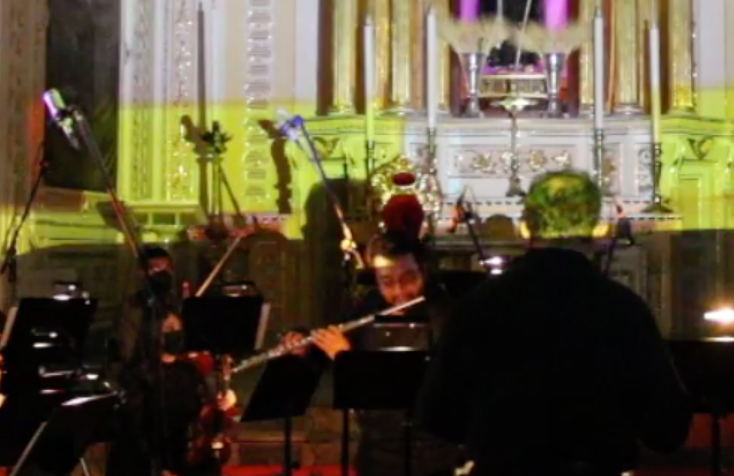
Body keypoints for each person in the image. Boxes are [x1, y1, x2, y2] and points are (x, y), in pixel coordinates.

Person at [417, 171, 690, 476]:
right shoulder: (624, 309)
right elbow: (667, 428)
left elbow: (439, 417)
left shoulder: (480, 304)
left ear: (525, 228)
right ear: (598, 228)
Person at [290, 232, 459, 476]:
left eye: (409, 278)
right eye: (387, 282)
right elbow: (330, 346)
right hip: (375, 453)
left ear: (424, 272)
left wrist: (347, 360)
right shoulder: (371, 304)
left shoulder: (446, 318)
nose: (399, 292)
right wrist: (303, 344)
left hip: (430, 458)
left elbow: (417, 392)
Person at [107, 310, 237, 476]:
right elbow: (135, 429)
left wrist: (224, 400)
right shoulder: (137, 374)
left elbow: (203, 407)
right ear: (154, 334)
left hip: (184, 451)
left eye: (178, 328)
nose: (175, 334)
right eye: (168, 329)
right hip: (149, 457)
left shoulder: (190, 370)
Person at [117, 246, 183, 364]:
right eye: (157, 268)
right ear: (142, 274)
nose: (164, 273)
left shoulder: (178, 302)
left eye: (167, 267)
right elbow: (128, 348)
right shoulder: (133, 306)